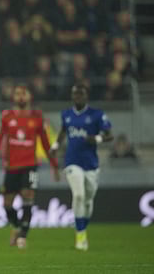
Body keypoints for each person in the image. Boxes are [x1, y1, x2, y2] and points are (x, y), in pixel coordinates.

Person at [0, 84, 60, 249]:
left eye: (23, 93)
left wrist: (54, 165)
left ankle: (23, 237)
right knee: (7, 204)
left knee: (28, 196)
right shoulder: (7, 116)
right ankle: (17, 226)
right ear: (14, 97)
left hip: (30, 165)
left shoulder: (37, 117)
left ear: (29, 97)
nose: (20, 97)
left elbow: (46, 144)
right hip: (11, 166)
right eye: (17, 93)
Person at [50, 84, 113, 251]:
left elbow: (109, 134)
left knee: (88, 199)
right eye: (74, 94)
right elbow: (63, 131)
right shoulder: (67, 114)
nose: (77, 97)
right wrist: (56, 145)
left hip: (91, 164)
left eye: (80, 94)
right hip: (72, 161)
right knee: (78, 195)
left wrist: (98, 139)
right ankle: (80, 235)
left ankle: (83, 228)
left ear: (86, 96)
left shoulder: (96, 114)